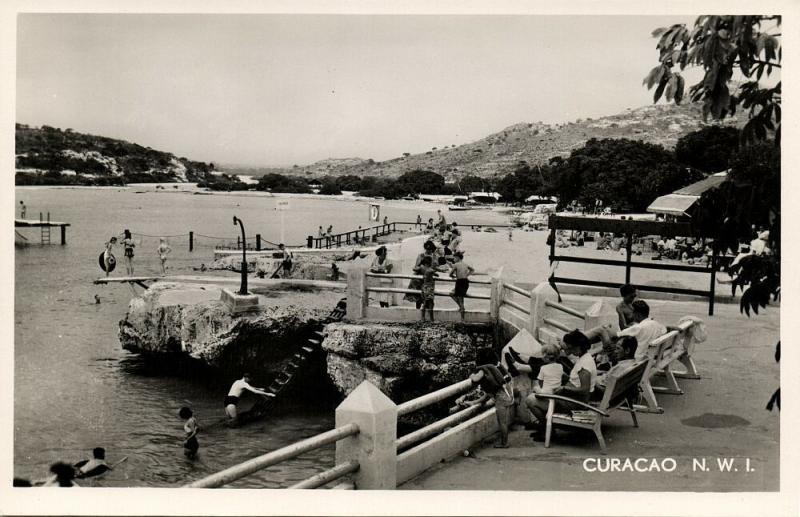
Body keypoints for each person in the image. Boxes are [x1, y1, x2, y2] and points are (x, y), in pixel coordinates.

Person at [525, 329, 597, 442]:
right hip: (572, 398)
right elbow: (579, 382)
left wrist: (564, 388)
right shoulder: (586, 359)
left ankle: (548, 429)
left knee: (530, 400)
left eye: (570, 347)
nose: (568, 349)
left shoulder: (584, 365)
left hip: (574, 402)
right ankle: (544, 426)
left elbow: (585, 389)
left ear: (578, 347)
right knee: (541, 391)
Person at [469, 356, 515, 448]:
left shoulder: (483, 369)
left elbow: (476, 379)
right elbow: (490, 393)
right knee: (504, 422)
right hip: (508, 396)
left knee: (502, 422)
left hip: (501, 399)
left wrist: (471, 375)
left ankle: (504, 443)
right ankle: (504, 441)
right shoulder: (496, 367)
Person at [404, 240, 438, 308]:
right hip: (419, 279)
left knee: (429, 298)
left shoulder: (435, 256)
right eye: (427, 249)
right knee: (418, 298)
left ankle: (427, 313)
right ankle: (419, 313)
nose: (428, 250)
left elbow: (435, 268)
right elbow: (416, 267)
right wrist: (421, 268)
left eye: (430, 249)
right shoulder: (421, 256)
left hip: (429, 279)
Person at [449, 252, 474, 320]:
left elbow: (450, 274)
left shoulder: (456, 264)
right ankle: (461, 309)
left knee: (454, 296)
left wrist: (453, 276)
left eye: (454, 258)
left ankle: (462, 316)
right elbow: (472, 270)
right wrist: (467, 275)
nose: (453, 259)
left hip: (460, 282)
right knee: (460, 298)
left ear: (458, 257)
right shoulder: (465, 264)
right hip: (466, 281)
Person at [414, 255, 439, 321]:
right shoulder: (430, 270)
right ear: (429, 263)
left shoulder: (422, 268)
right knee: (431, 303)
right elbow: (437, 274)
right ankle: (431, 318)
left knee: (425, 302)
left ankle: (423, 317)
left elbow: (414, 269)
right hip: (430, 288)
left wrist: (419, 265)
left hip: (424, 287)